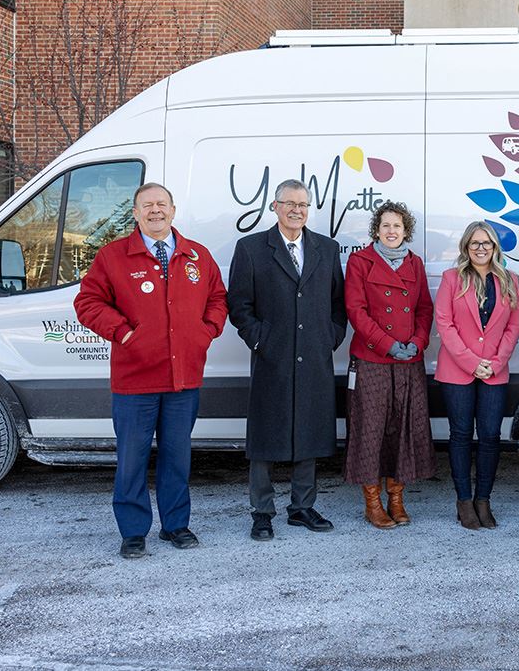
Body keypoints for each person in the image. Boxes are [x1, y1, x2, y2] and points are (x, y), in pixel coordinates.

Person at [74, 182, 228, 559]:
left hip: (183, 379)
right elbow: (88, 302)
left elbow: (218, 299)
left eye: (161, 204)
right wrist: (124, 333)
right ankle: (133, 531)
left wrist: (205, 333)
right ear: (136, 213)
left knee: (178, 457)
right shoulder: (113, 257)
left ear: (173, 210)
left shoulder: (197, 257)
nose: (155, 211)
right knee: (132, 460)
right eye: (147, 206)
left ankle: (176, 525)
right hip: (135, 381)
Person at [227, 179, 347, 542]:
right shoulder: (250, 249)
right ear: (274, 207)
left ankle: (302, 507)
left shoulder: (326, 248)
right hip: (272, 357)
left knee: (308, 430)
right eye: (289, 203)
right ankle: (262, 511)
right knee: (265, 435)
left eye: (303, 204)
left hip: (313, 355)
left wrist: (330, 337)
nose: (297, 210)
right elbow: (239, 306)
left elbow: (337, 303)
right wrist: (261, 340)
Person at [343, 201, 436, 529]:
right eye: (385, 226)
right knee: (370, 430)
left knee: (404, 428)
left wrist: (418, 341)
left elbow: (425, 308)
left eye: (397, 226)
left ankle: (397, 498)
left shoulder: (415, 264)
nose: (391, 231)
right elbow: (356, 310)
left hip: (409, 360)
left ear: (405, 230)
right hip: (372, 359)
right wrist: (387, 344)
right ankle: (373, 502)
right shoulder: (360, 261)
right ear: (376, 230)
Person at [434, 221, 519, 529]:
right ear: (466, 248)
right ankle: (463, 501)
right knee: (460, 435)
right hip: (458, 370)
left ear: (495, 247)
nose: (481, 248)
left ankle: (483, 500)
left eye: (486, 243)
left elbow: (514, 327)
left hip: (494, 372)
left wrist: (496, 362)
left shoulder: (510, 280)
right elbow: (444, 325)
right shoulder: (451, 279)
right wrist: (472, 362)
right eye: (475, 243)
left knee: (489, 436)